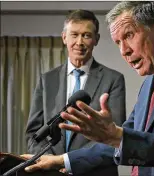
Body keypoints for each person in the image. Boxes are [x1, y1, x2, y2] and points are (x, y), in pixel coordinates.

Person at [22, 2, 154, 176]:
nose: (124, 51)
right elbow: (125, 137)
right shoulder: (150, 83)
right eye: (117, 42)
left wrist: (116, 136)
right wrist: (62, 160)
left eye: (129, 35)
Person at [25, 9, 126, 176]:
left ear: (96, 39)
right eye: (74, 35)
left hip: (95, 171)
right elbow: (33, 133)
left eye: (86, 35)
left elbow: (114, 136)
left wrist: (68, 161)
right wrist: (51, 161)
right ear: (64, 37)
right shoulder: (46, 80)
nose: (79, 42)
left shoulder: (113, 79)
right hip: (51, 172)